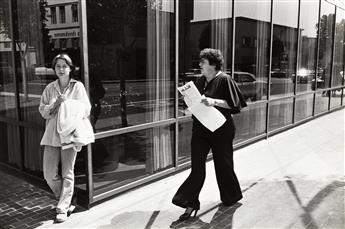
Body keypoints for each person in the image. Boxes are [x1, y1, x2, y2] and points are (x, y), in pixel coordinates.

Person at [172, 48, 247, 221]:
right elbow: (196, 103)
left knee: (223, 166)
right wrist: (188, 108)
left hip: (221, 131)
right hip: (200, 131)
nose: (200, 65)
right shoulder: (199, 81)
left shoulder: (225, 80)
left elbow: (236, 106)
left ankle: (231, 196)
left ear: (213, 65)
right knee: (197, 168)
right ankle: (190, 203)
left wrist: (214, 101)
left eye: (203, 62)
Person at [39, 53, 92, 223]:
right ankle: (69, 198)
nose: (61, 69)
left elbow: (86, 109)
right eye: (58, 66)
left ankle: (62, 207)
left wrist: (68, 104)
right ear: (54, 69)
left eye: (64, 66)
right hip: (52, 136)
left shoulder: (78, 87)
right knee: (49, 174)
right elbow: (43, 112)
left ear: (70, 68)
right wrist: (56, 104)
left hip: (70, 134)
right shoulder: (49, 88)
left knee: (67, 172)